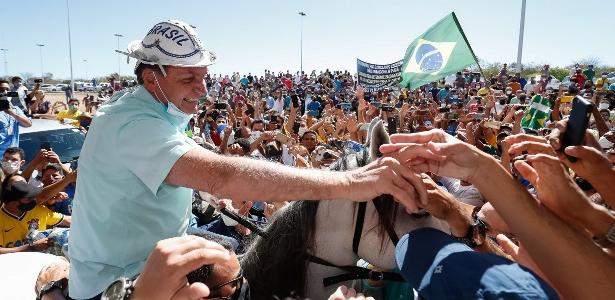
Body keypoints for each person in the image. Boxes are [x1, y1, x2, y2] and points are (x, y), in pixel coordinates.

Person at [68, 20, 426, 299]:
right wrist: (351, 182)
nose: (203, 89)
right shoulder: (132, 123)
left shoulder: (157, 109)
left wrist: (209, 197)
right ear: (151, 78)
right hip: (119, 278)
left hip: (161, 251)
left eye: (204, 77)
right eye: (189, 78)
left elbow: (160, 175)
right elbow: (220, 175)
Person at [0, 174, 71, 254]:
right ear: (14, 203)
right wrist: (30, 248)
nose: (34, 200)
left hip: (43, 264)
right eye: (29, 198)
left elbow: (67, 220)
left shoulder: (38, 210)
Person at [0, 80, 32, 155]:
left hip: (13, 157)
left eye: (7, 89)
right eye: (1, 89)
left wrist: (12, 113)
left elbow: (28, 124)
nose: (5, 92)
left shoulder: (16, 109)